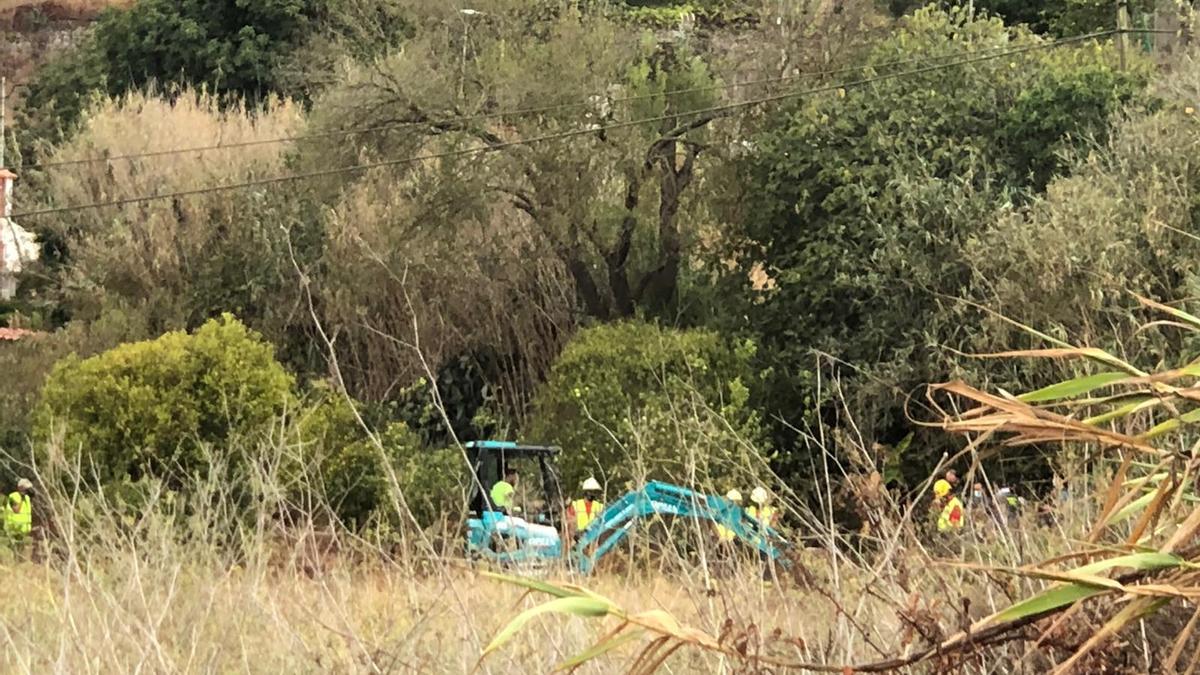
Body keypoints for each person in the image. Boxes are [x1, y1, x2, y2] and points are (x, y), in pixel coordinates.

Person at [4, 478, 33, 545]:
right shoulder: (13, 496)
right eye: (26, 488)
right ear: (20, 488)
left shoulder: (27, 498)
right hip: (14, 529)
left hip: (24, 530)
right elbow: (16, 510)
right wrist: (22, 499)